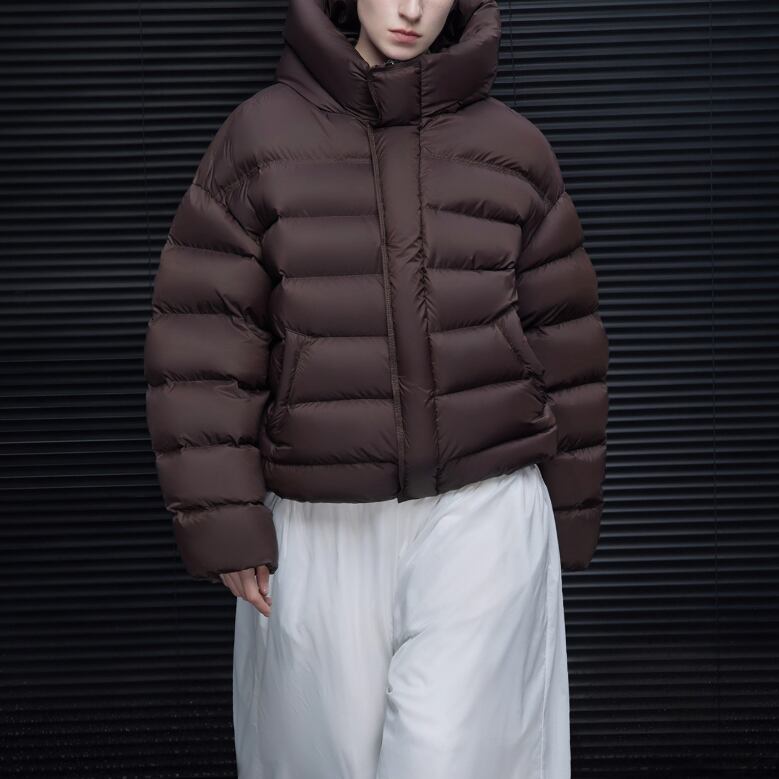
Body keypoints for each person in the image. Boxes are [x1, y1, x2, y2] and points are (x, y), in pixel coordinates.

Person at [143, 0, 609, 776]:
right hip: (320, 520)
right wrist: (222, 517)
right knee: (328, 758)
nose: (411, 8)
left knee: (448, 755)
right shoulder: (259, 140)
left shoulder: (513, 149)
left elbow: (564, 338)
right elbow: (205, 335)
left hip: (483, 511)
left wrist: (567, 516)